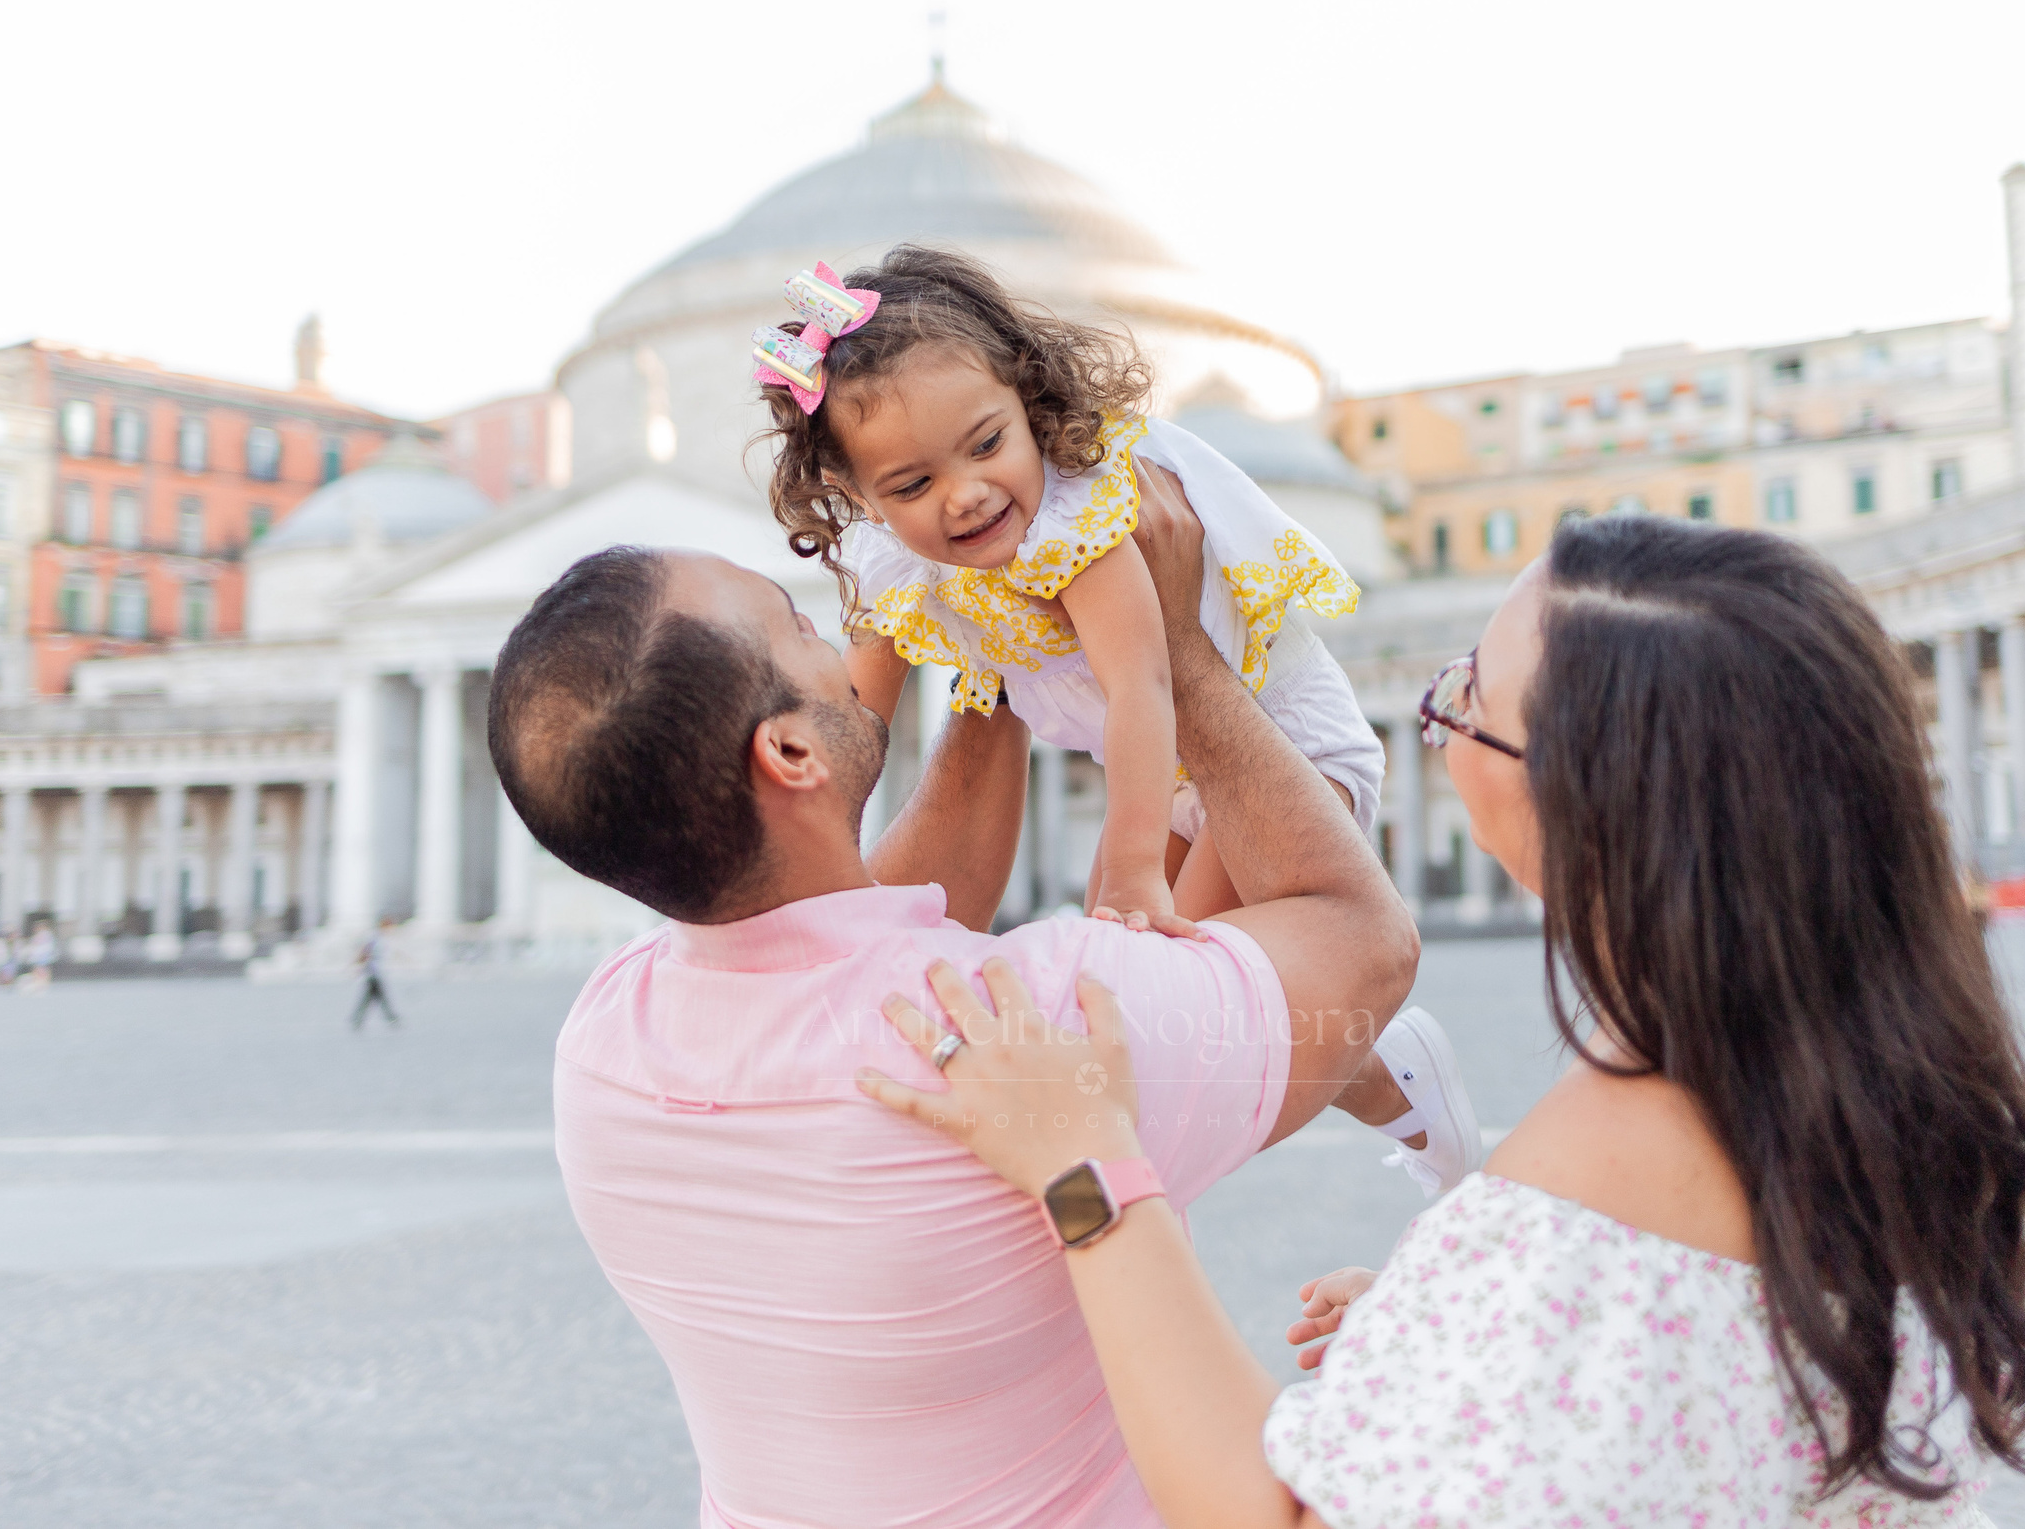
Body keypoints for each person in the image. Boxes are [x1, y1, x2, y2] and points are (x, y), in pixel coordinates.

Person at [867, 514, 2025, 1527]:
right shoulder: (1877, 1074)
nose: (1439, 723)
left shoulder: (1595, 1198)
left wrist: (1083, 1171)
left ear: (1584, 802)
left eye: (1467, 700)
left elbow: (1269, 1519)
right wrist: (1433, 1353)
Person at [483, 464, 1463, 1529]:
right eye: (799, 624)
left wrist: (985, 659)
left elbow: (881, 916)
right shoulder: (1027, 1025)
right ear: (789, 750)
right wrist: (1178, 650)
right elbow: (1359, 943)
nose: (848, 635)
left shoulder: (602, 1042)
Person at [755, 246, 1382, 930]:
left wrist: (1132, 870)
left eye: (988, 444)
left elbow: (1141, 683)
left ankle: (1398, 1045)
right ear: (859, 496)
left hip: (1276, 739)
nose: (966, 494)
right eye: (913, 484)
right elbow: (855, 726)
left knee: (1172, 970)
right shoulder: (893, 564)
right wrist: (798, 871)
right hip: (1164, 776)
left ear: (1026, 402)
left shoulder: (1077, 524)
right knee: (1117, 970)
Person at [349, 920, 400, 1030]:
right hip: (373, 973)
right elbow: (365, 951)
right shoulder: (376, 937)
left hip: (376, 972)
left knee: (370, 998)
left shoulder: (382, 938)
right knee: (379, 997)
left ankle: (357, 1019)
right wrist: (358, 965)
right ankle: (391, 1018)